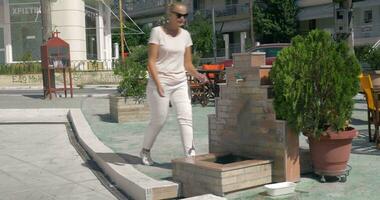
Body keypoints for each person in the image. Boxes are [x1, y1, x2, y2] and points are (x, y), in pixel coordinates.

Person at [140, 2, 208, 166]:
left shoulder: (186, 35)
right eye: (179, 15)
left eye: (185, 15)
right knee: (159, 120)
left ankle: (190, 154)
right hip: (160, 81)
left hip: (180, 82)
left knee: (186, 117)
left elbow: (188, 64)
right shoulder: (157, 32)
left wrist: (198, 75)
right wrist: (158, 84)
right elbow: (151, 62)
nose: (182, 18)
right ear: (169, 15)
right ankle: (145, 150)